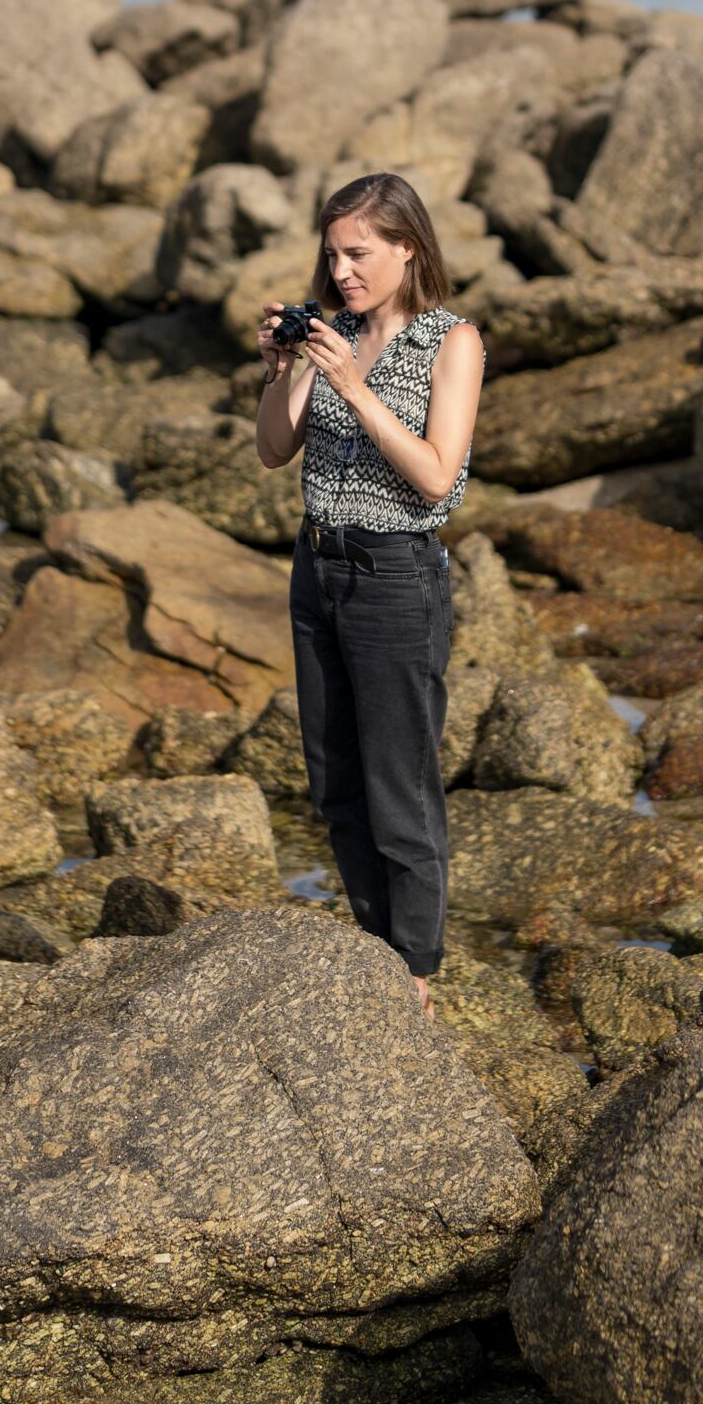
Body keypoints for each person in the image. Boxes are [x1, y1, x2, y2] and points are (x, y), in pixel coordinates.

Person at [251, 169, 486, 999]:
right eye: (332, 254)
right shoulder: (332, 331)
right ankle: (374, 950)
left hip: (395, 576)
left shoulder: (451, 341)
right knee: (334, 778)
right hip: (318, 567)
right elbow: (274, 449)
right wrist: (287, 368)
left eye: (359, 252)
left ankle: (416, 969)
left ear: (407, 247)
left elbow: (435, 476)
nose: (342, 269)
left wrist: (352, 381)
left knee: (399, 782)